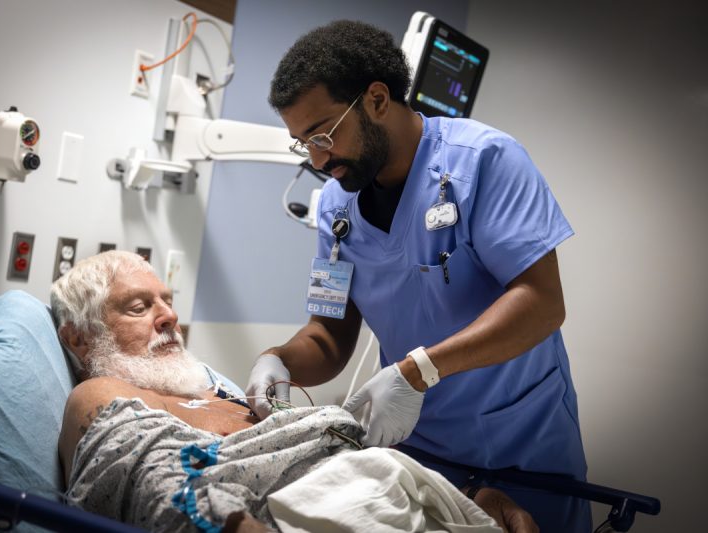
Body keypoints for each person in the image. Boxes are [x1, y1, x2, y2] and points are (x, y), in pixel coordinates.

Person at [246, 20, 590, 532]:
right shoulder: (337, 205)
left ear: (378, 99)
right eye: (303, 143)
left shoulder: (486, 162)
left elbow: (541, 302)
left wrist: (418, 370)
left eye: (322, 134)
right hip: (415, 455)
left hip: (522, 451)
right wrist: (277, 361)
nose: (318, 159)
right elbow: (328, 333)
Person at [51, 250, 537, 532]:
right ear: (78, 337)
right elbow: (156, 487)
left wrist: (469, 494)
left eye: (168, 302)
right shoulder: (101, 393)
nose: (169, 316)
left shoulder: (220, 394)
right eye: (139, 306)